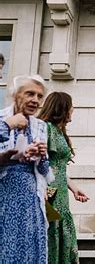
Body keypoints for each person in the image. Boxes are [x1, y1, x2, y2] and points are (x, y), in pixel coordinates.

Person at [0, 74, 54, 263]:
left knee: (31, 241)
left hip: (31, 193)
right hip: (5, 190)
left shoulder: (40, 126)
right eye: (30, 94)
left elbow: (46, 171)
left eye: (40, 96)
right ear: (15, 95)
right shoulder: (1, 119)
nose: (35, 100)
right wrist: (10, 157)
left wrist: (41, 155)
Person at [38, 92, 89, 263]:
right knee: (50, 232)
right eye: (71, 106)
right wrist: (41, 188)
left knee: (62, 233)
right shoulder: (46, 129)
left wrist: (74, 188)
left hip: (60, 192)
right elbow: (38, 163)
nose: (73, 109)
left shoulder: (59, 132)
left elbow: (58, 168)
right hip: (49, 190)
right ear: (62, 108)